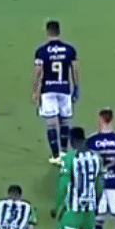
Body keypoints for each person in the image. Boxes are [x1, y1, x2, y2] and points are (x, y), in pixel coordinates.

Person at [47, 127, 101, 229]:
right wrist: (95, 202)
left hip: (73, 208)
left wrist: (56, 206)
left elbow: (63, 185)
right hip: (89, 208)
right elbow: (100, 183)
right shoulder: (96, 157)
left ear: (72, 140)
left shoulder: (70, 158)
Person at [32, 20, 80, 165]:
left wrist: (34, 90)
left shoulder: (42, 51)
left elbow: (37, 72)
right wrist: (76, 87)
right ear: (59, 31)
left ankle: (55, 155)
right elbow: (74, 69)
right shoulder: (69, 50)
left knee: (51, 123)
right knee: (64, 121)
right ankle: (64, 151)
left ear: (47, 32)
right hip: (64, 88)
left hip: (48, 90)